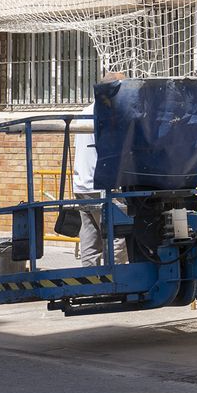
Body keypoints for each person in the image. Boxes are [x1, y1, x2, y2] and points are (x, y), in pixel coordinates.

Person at [72, 95, 120, 266]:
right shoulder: (106, 114)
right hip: (99, 184)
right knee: (117, 234)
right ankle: (115, 279)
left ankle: (89, 276)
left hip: (81, 183)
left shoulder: (85, 112)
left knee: (90, 235)